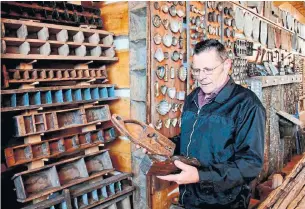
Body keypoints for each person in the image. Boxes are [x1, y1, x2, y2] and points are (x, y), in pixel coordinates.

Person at [140, 39, 266, 209]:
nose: (201, 77)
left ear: (227, 64)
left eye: (208, 70)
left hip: (226, 203)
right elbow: (188, 140)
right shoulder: (193, 98)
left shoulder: (247, 104)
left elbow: (250, 164)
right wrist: (158, 143)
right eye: (197, 70)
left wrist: (201, 176)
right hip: (189, 198)